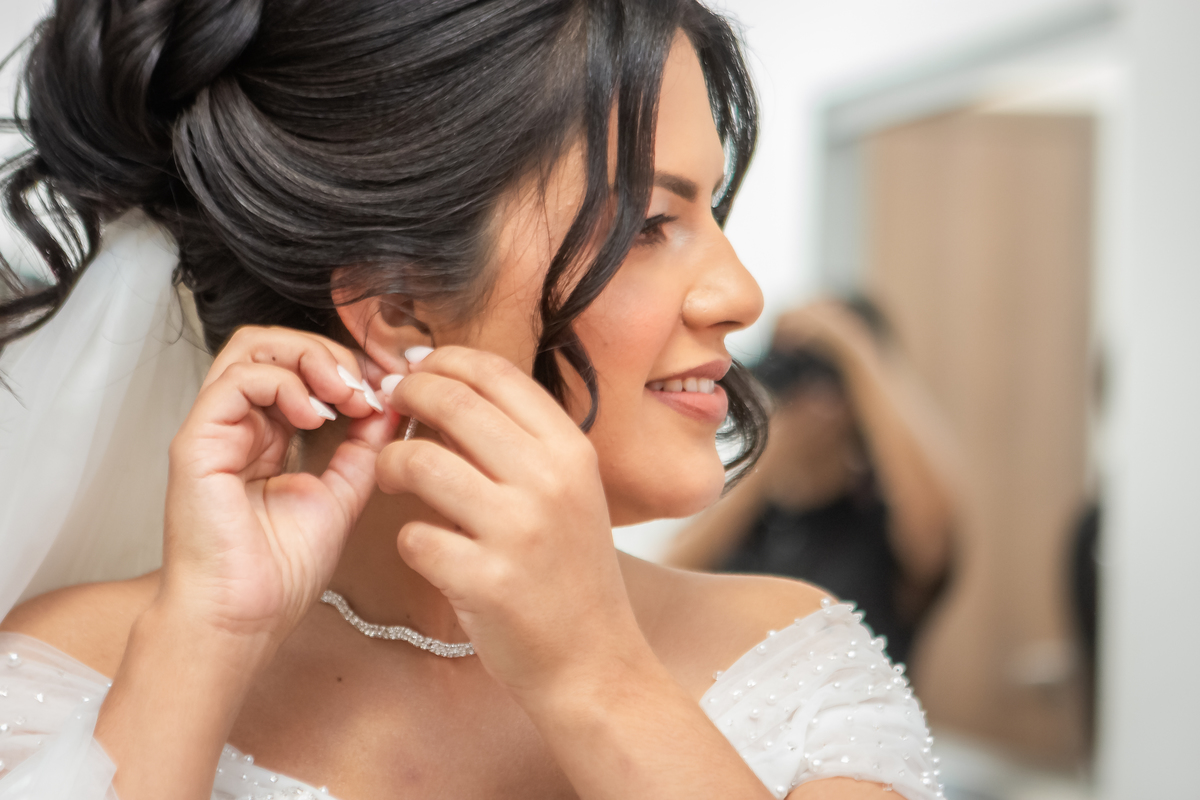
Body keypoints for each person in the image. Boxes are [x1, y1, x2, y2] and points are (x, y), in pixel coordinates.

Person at [0, 2, 944, 799]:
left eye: (714, 213)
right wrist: (203, 644)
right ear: (398, 309)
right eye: (651, 224)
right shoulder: (72, 670)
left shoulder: (794, 669)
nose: (742, 294)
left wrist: (598, 679)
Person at [666, 299, 959, 667]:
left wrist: (852, 348)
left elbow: (938, 535)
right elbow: (671, 577)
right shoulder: (750, 522)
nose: (797, 397)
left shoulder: (877, 526)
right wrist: (770, 451)